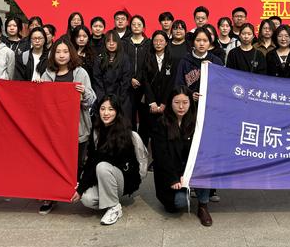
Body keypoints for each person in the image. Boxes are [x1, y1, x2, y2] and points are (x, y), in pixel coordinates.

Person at [40, 37, 96, 215]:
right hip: (53, 130)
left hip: (77, 128)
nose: (62, 55)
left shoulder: (80, 73)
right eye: (58, 52)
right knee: (52, 164)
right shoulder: (47, 74)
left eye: (65, 52)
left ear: (71, 54)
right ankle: (50, 196)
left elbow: (91, 101)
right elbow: (41, 102)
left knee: (76, 164)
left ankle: (76, 193)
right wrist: (38, 87)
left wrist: (84, 92)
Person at [71, 95, 142, 226]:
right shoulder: (97, 130)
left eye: (110, 109)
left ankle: (114, 207)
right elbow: (91, 160)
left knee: (102, 166)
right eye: (102, 109)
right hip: (103, 176)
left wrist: (82, 186)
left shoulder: (123, 131)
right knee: (87, 199)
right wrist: (81, 186)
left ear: (117, 111)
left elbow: (101, 160)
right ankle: (109, 200)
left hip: (123, 179)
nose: (106, 113)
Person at [151, 86, 213, 226]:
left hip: (191, 169)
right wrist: (173, 178)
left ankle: (203, 206)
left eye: (185, 102)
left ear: (190, 102)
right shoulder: (161, 123)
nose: (181, 107)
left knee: (206, 165)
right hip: (171, 172)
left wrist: (189, 173)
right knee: (179, 204)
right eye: (177, 102)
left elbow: (203, 151)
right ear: (170, 102)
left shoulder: (197, 122)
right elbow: (161, 156)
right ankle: (185, 191)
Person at [141, 30, 173, 149]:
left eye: (161, 41)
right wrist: (152, 102)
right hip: (150, 102)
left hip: (166, 102)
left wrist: (164, 103)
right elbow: (145, 81)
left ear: (166, 43)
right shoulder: (147, 58)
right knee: (147, 130)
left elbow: (171, 83)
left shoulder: (172, 59)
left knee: (164, 132)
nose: (158, 43)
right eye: (155, 41)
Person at [175, 27, 224, 102]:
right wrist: (189, 95)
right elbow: (179, 85)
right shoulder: (184, 61)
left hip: (211, 103)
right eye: (198, 40)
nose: (201, 44)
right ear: (193, 42)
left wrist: (213, 69)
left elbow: (222, 85)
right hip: (189, 104)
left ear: (210, 42)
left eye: (205, 40)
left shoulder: (216, 61)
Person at [93, 30, 132, 122]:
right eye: (108, 41)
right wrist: (104, 99)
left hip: (121, 98)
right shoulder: (99, 58)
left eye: (114, 41)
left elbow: (126, 81)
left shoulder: (124, 58)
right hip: (103, 98)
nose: (111, 44)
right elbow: (97, 80)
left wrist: (117, 100)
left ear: (118, 42)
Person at [123, 15, 151, 126]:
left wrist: (139, 79)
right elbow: (122, 63)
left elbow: (148, 64)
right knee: (129, 116)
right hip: (128, 85)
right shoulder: (124, 43)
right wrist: (130, 79)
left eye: (139, 24)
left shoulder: (149, 43)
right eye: (133, 24)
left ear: (144, 27)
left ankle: (143, 137)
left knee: (144, 116)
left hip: (144, 85)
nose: (136, 26)